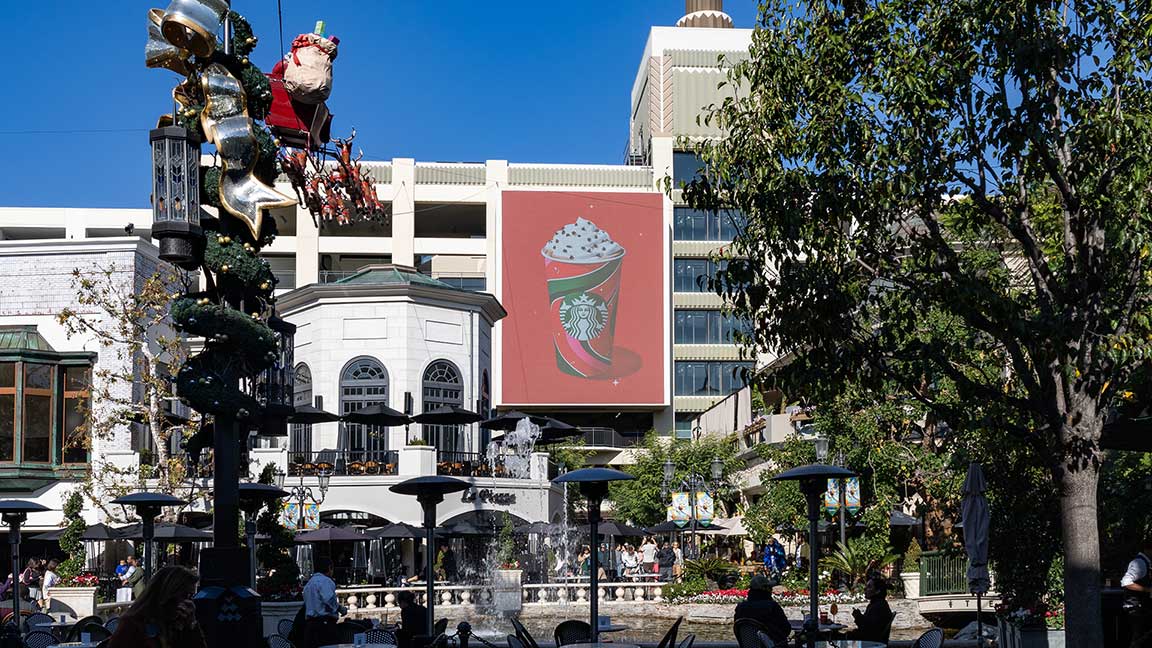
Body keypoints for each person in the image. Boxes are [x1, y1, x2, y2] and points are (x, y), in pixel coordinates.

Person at [107, 565, 205, 648]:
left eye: (191, 596)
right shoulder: (133, 624)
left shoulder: (180, 625)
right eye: (185, 596)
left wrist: (191, 625)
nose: (189, 602)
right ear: (169, 594)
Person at [733, 575, 792, 646]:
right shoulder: (772, 606)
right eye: (770, 588)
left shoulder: (740, 607)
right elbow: (786, 629)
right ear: (766, 589)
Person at [303, 557, 346, 648]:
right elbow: (329, 599)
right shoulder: (325, 581)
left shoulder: (309, 584)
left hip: (310, 626)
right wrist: (341, 609)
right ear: (330, 568)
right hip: (325, 626)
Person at [1123, 542, 1152, 647]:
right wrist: (1147, 590)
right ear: (1148, 550)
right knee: (1138, 639)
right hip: (1135, 608)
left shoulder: (1147, 563)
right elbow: (1126, 582)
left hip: (1142, 607)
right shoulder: (1139, 563)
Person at [847, 576, 893, 641]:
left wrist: (858, 617)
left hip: (870, 642)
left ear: (877, 591)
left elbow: (869, 630)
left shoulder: (878, 607)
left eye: (869, 587)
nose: (865, 589)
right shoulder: (877, 604)